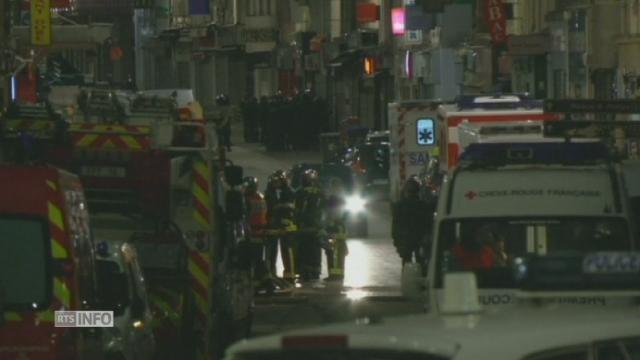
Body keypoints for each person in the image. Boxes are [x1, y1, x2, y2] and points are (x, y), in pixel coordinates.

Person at [391, 176, 435, 269]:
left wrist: (396, 241)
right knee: (422, 263)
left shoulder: (399, 206)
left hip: (406, 239)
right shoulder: (423, 206)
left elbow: (396, 225)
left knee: (406, 263)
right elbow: (429, 224)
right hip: (420, 238)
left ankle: (407, 279)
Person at [264, 169, 297, 282]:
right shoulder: (270, 193)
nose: (276, 184)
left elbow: (290, 208)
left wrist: (279, 208)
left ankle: (289, 275)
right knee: (272, 251)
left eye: (278, 181)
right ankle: (271, 273)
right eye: (274, 182)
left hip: (286, 225)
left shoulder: (289, 192)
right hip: (274, 225)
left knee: (287, 250)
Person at [294, 169, 326, 281]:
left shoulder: (299, 192)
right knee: (315, 250)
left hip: (304, 227)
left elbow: (297, 210)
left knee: (304, 250)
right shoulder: (320, 192)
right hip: (315, 226)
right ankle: (315, 271)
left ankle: (305, 271)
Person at [242, 176, 270, 292]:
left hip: (252, 232)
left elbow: (245, 216)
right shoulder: (261, 197)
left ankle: (261, 283)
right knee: (258, 259)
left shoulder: (247, 200)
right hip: (261, 232)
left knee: (252, 259)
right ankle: (264, 282)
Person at [324, 178, 348, 281]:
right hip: (333, 227)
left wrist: (335, 221)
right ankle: (333, 274)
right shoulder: (332, 199)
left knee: (337, 252)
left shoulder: (336, 199)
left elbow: (341, 214)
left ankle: (337, 275)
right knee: (331, 251)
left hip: (336, 227)